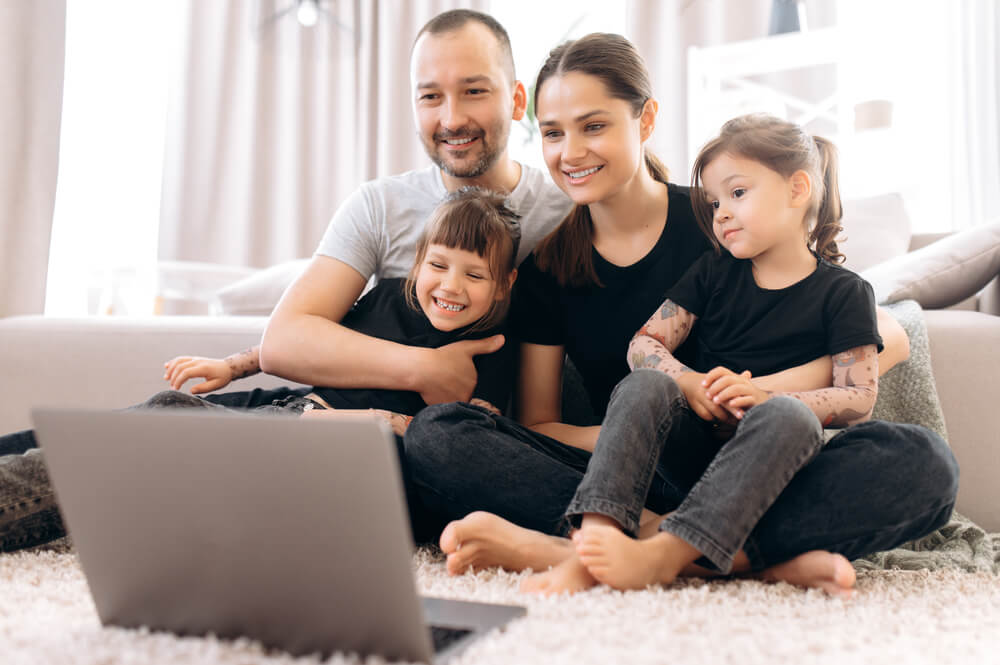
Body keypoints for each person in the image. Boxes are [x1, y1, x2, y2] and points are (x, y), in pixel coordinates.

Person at [401, 33, 958, 597]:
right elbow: (541, 426)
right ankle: (737, 557)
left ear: (645, 121)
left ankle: (579, 550)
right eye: (552, 132)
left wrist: (754, 394)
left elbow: (885, 332)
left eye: (594, 126)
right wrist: (638, 439)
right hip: (629, 481)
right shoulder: (549, 270)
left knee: (926, 464)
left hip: (760, 461)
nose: (570, 152)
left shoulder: (722, 218)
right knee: (438, 436)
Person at [0, 9, 570, 553]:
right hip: (318, 412)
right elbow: (286, 341)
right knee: (122, 426)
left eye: (474, 90)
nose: (451, 118)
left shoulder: (562, 218)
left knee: (163, 430)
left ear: (517, 98)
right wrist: (425, 368)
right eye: (430, 96)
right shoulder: (381, 206)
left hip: (393, 457)